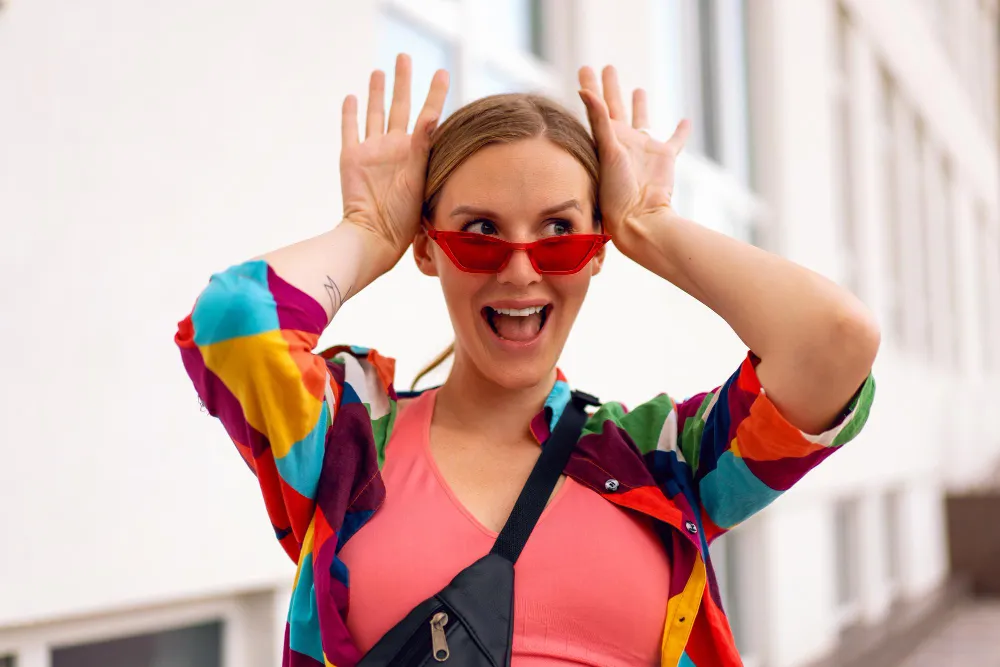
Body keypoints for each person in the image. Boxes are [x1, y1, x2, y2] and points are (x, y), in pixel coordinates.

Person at [175, 54, 878, 667]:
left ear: (597, 251)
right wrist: (367, 230)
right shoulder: (348, 443)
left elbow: (835, 338)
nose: (520, 270)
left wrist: (649, 225)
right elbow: (234, 321)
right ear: (428, 247)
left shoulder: (663, 462)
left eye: (560, 232)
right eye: (480, 231)